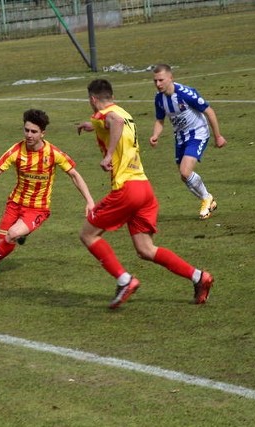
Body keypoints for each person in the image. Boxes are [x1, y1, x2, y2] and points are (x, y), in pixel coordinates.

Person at [77, 79, 214, 309]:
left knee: (88, 235)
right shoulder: (123, 111)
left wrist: (109, 155)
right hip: (144, 189)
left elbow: (114, 122)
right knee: (145, 249)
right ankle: (200, 277)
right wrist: (90, 125)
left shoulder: (111, 115)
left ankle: (124, 280)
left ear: (93, 99)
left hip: (126, 189)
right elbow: (113, 121)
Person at [0, 109, 94, 281]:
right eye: (26, 130)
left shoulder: (53, 154)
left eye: (34, 131)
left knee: (12, 235)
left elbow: (75, 175)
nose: (29, 135)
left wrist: (89, 200)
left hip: (38, 208)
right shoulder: (16, 151)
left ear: (42, 133)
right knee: (1, 245)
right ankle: (20, 234)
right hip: (14, 204)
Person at [150, 64, 227, 220]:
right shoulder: (159, 99)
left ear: (171, 78)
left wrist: (218, 136)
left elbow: (209, 111)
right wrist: (155, 135)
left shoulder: (186, 94)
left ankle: (206, 199)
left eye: (161, 80)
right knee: (184, 176)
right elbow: (160, 120)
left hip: (198, 133)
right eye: (155, 81)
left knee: (185, 171)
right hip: (180, 136)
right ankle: (208, 199)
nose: (158, 84)